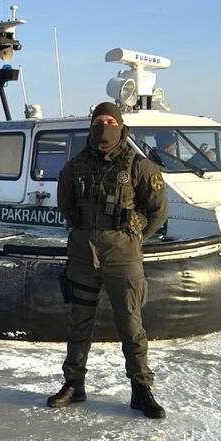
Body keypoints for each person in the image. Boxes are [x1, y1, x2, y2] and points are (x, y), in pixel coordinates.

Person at [48, 102, 170, 418]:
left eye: (110, 121)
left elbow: (158, 211)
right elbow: (67, 206)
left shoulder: (138, 166)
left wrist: (134, 236)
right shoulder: (75, 167)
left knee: (131, 323)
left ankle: (141, 389)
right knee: (79, 322)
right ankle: (74, 383)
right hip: (83, 253)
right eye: (99, 121)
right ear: (91, 126)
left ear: (120, 125)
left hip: (123, 255)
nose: (105, 126)